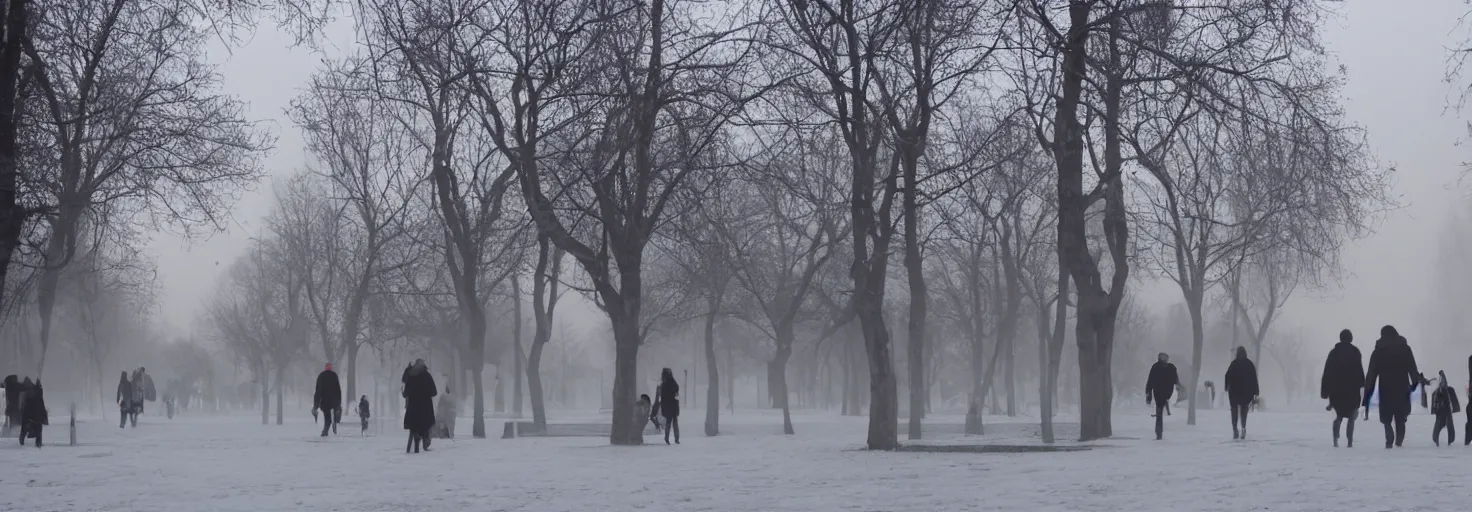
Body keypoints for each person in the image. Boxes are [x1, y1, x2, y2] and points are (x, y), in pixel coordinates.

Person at [1363, 326, 1421, 448]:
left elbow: (1372, 373)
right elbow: (1412, 367)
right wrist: (1415, 383)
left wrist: (1368, 390)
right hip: (1402, 386)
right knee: (1401, 414)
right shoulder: (1405, 349)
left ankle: (1388, 431)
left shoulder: (1379, 350)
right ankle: (1399, 438)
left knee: (1386, 414)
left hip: (1386, 387)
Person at [1320, 329, 1365, 447]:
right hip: (1352, 390)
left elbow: (1327, 372)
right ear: (1351, 338)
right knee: (1351, 417)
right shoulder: (1355, 352)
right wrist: (1362, 383)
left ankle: (1335, 439)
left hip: (1337, 389)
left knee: (1339, 416)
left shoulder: (1334, 353)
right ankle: (1350, 441)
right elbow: (1359, 370)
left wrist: (1325, 391)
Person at [1223, 346, 1260, 440]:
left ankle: (1235, 429)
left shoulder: (1234, 364)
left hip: (1234, 392)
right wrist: (1256, 391)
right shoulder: (1249, 364)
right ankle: (1243, 428)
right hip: (1246, 392)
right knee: (1244, 411)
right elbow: (1254, 378)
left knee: (1234, 411)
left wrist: (1226, 387)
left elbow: (1227, 376)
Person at [402, 359, 437, 453]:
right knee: (426, 426)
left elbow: (405, 393)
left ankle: (410, 448)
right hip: (425, 409)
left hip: (412, 409)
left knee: (413, 428)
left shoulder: (410, 376)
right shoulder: (427, 376)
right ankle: (424, 442)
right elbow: (434, 392)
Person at [1145, 352, 1180, 440]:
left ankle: (1159, 432)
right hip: (1161, 392)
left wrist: (1148, 392)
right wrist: (1148, 392)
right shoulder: (1165, 367)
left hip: (1162, 392)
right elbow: (1150, 381)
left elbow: (1175, 380)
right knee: (1159, 410)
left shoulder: (1168, 367)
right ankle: (1159, 432)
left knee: (1159, 410)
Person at [1430, 370, 1461, 446]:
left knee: (1444, 425)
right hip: (1442, 410)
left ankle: (1445, 440)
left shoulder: (1444, 391)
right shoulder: (1437, 392)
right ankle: (1444, 440)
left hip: (1444, 410)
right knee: (1442, 425)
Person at [314, 363, 342, 437]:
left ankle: (325, 430)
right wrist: (339, 401)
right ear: (331, 368)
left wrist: (316, 402)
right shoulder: (334, 376)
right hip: (333, 400)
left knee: (327, 417)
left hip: (324, 400)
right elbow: (338, 389)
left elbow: (318, 390)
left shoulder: (321, 376)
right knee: (334, 412)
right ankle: (335, 419)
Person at [653, 368, 680, 444]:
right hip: (673, 404)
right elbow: (676, 391)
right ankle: (676, 438)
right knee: (675, 422)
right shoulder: (673, 382)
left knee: (668, 421)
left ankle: (667, 437)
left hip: (667, 405)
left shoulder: (663, 384)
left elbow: (662, 395)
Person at [17, 378, 45, 447]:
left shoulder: (27, 391)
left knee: (25, 427)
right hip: (37, 412)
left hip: (30, 412)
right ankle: (38, 443)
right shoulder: (38, 390)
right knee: (38, 428)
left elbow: (22, 403)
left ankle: (23, 439)